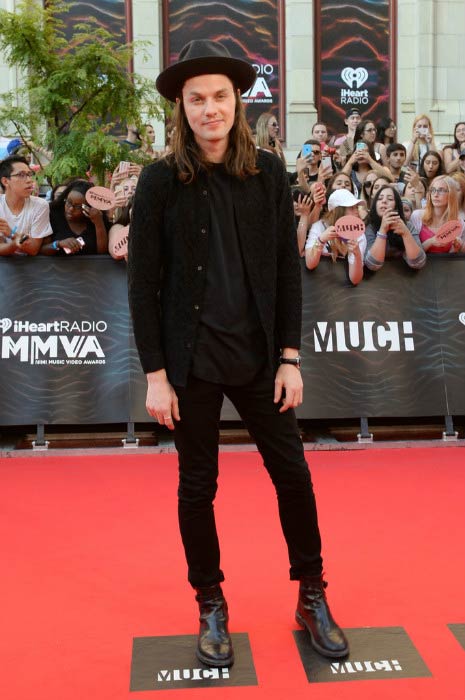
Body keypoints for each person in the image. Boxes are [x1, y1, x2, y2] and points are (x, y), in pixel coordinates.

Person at [128, 39, 349, 668]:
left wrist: (290, 357)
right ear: (182, 108)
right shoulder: (160, 181)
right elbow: (142, 283)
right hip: (190, 363)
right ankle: (210, 603)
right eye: (196, 99)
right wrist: (156, 374)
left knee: (294, 477)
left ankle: (312, 595)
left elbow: (285, 269)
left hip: (260, 360)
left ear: (237, 102)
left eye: (219, 96)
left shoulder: (269, 173)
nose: (209, 109)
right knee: (197, 488)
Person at [305, 189, 365, 285]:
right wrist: (321, 240)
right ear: (336, 211)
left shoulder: (358, 234)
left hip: (345, 294)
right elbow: (310, 264)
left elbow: (355, 280)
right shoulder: (319, 227)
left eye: (356, 207)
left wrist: (357, 254)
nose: (356, 212)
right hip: (318, 287)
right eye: (351, 208)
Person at [364, 184, 426, 270]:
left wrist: (406, 234)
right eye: (380, 198)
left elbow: (418, 262)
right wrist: (382, 231)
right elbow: (372, 265)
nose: (384, 201)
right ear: (375, 205)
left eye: (390, 199)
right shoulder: (369, 228)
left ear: (397, 206)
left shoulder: (408, 226)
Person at [0, 155, 52, 256]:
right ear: (5, 181)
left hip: (31, 266)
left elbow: (33, 249)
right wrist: (15, 244)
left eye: (29, 174)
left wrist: (12, 234)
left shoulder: (40, 205)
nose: (29, 180)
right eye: (21, 175)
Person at [40, 180, 108, 255]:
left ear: (88, 208)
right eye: (68, 202)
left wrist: (98, 223)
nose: (71, 209)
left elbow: (102, 253)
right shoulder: (53, 214)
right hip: (57, 266)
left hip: (90, 266)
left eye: (78, 206)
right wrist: (59, 244)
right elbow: (42, 250)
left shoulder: (96, 218)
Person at [410, 175, 465, 254]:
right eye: (433, 190)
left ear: (451, 194)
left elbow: (452, 258)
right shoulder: (417, 216)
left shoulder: (460, 224)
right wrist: (430, 242)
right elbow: (411, 254)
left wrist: (456, 249)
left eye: (441, 190)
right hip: (421, 265)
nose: (435, 194)